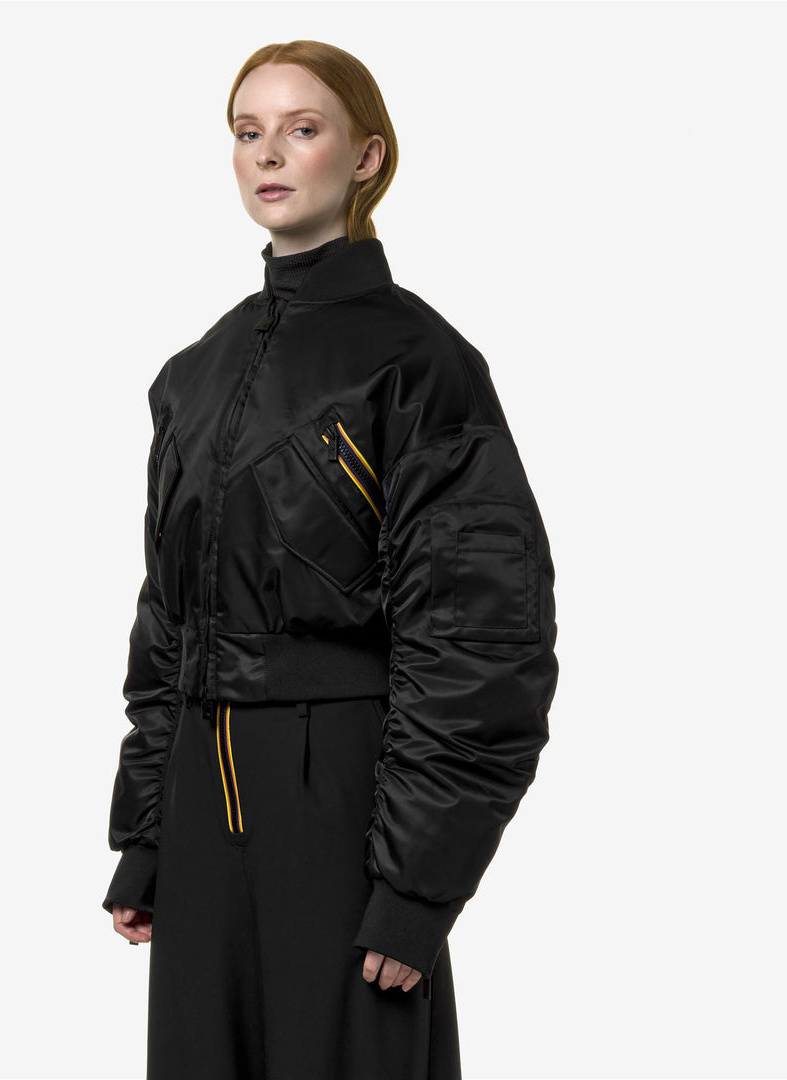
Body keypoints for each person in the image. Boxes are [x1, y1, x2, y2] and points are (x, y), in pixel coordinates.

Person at [101, 39, 560, 1080]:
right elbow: (168, 618)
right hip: (202, 794)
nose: (268, 153)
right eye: (247, 131)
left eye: (301, 128)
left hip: (345, 796)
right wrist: (149, 832)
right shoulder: (193, 374)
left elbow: (483, 634)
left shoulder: (420, 364)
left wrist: (417, 887)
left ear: (365, 156)